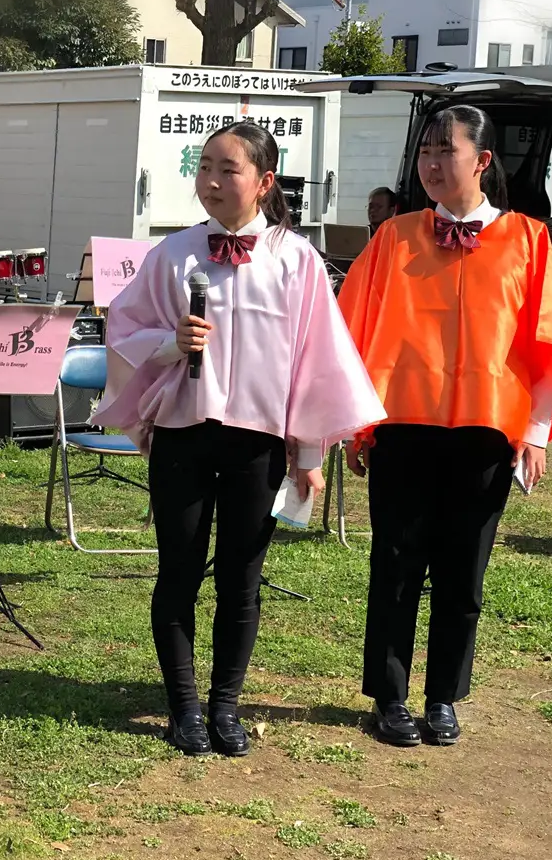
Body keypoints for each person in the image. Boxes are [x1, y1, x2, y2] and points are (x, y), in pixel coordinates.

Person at [92, 122, 386, 757]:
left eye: (228, 169)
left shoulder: (295, 259)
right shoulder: (173, 254)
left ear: (264, 181)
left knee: (241, 579)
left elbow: (316, 361)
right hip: (184, 434)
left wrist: (308, 452)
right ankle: (183, 708)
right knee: (178, 572)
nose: (212, 181)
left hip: (258, 442)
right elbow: (124, 328)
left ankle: (225, 706)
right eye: (204, 167)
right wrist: (171, 343)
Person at [339, 105, 552, 748]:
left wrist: (535, 432)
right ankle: (390, 697)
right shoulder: (393, 238)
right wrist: (356, 426)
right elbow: (352, 331)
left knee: (462, 572)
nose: (432, 163)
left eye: (446, 150)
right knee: (395, 567)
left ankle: (444, 695)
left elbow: (548, 344)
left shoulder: (527, 239)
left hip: (485, 434)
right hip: (403, 429)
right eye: (425, 151)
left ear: (482, 160)